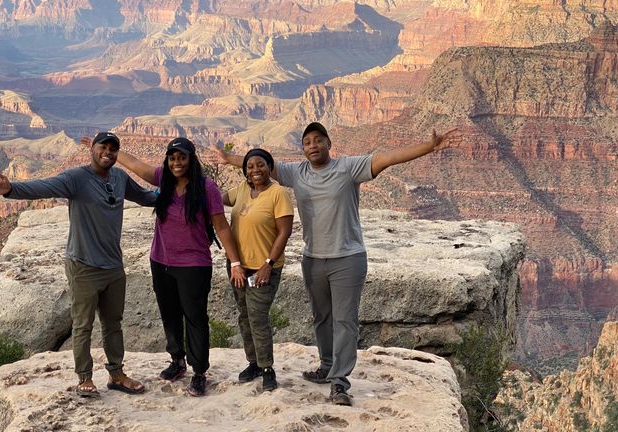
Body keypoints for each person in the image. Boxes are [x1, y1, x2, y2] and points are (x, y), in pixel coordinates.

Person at [213, 122, 458, 406]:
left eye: (318, 140)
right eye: (307, 142)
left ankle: (340, 382)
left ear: (329, 143)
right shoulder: (297, 172)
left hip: (347, 257)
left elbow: (386, 158)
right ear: (302, 149)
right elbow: (260, 166)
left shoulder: (348, 168)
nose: (313, 146)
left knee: (345, 320)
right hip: (313, 258)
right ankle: (327, 366)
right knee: (322, 317)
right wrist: (227, 159)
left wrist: (428, 147)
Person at [0, 131, 155, 398]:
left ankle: (117, 374)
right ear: (92, 149)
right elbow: (44, 186)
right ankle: (84, 377)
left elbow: (145, 197)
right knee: (83, 324)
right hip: (83, 265)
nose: (107, 152)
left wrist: (177, 190)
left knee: (113, 323)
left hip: (113, 266)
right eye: (102, 147)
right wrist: (11, 189)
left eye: (113, 149)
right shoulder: (76, 178)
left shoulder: (120, 178)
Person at [82, 135, 246, 397]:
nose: (177, 162)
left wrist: (235, 262)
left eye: (182, 157)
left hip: (194, 264)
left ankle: (199, 371)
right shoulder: (164, 179)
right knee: (169, 315)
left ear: (191, 160)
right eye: (172, 158)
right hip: (160, 261)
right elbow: (136, 165)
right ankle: (177, 361)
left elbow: (221, 226)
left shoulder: (207, 188)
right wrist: (107, 150)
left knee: (195, 318)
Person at [222, 148, 293, 392]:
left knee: (258, 317)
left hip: (263, 269)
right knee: (244, 315)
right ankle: (253, 362)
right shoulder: (241, 190)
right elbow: (219, 199)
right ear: (245, 171)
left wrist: (268, 264)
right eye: (250, 166)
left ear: (269, 166)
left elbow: (284, 231)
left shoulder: (278, 194)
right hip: (238, 267)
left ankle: (267, 368)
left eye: (260, 165)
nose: (255, 170)